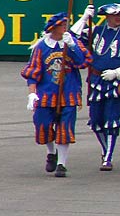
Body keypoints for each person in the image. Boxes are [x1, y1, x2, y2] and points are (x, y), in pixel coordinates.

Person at [23, 12, 89, 177]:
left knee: (65, 128)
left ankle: (62, 164)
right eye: (62, 25)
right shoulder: (41, 47)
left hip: (68, 93)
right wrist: (32, 94)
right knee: (43, 126)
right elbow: (33, 73)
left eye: (66, 24)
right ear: (54, 27)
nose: (65, 27)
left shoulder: (72, 42)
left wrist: (72, 47)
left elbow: (83, 62)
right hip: (47, 94)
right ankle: (51, 153)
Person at [84, 4, 120, 172]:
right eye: (114, 15)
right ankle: (105, 149)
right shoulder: (95, 32)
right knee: (96, 120)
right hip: (95, 81)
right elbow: (72, 37)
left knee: (111, 120)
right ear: (106, 16)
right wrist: (85, 17)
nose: (118, 17)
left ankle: (108, 157)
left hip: (115, 82)